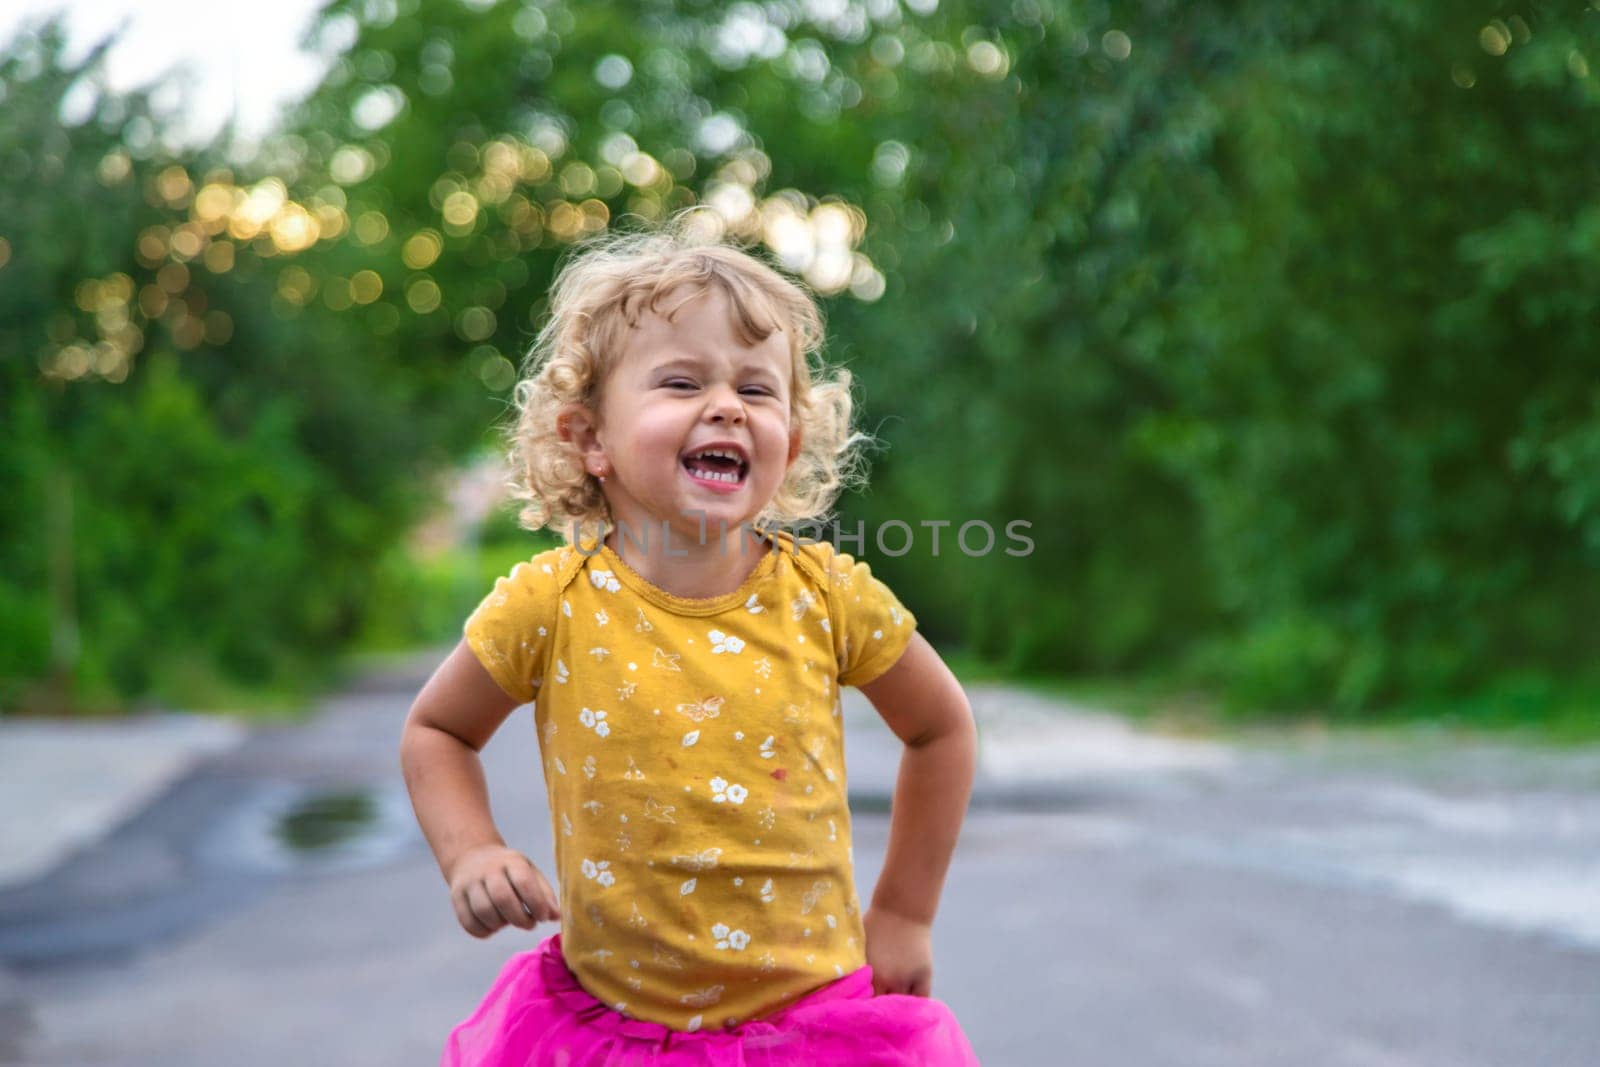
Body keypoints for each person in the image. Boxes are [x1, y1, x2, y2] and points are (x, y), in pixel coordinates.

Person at [400, 215, 980, 1065]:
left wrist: (904, 910)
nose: (725, 407)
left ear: (792, 435)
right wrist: (471, 851)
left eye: (756, 390)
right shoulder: (550, 605)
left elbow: (941, 727)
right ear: (589, 437)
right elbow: (437, 732)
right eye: (680, 382)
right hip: (614, 1028)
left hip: (814, 1028)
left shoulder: (827, 597)